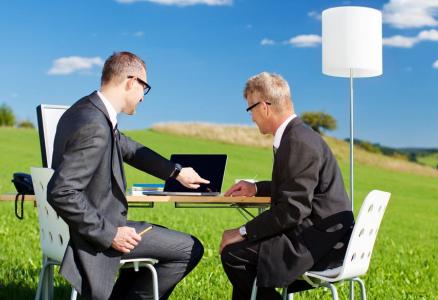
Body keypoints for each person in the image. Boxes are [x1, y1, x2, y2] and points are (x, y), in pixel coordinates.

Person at [48, 51, 207, 300]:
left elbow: (130, 149)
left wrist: (176, 172)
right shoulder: (95, 126)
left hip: (83, 227)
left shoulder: (85, 111)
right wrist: (110, 234)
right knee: (189, 248)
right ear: (131, 81)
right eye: (145, 87)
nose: (143, 97)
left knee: (163, 236)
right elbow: (61, 191)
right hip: (97, 234)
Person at [219, 72, 354, 299]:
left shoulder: (297, 141)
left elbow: (293, 209)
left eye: (250, 109)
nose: (251, 118)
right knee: (240, 252)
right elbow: (297, 185)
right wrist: (257, 188)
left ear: (264, 107)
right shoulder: (298, 135)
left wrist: (242, 232)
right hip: (321, 234)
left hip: (318, 244)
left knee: (235, 254)